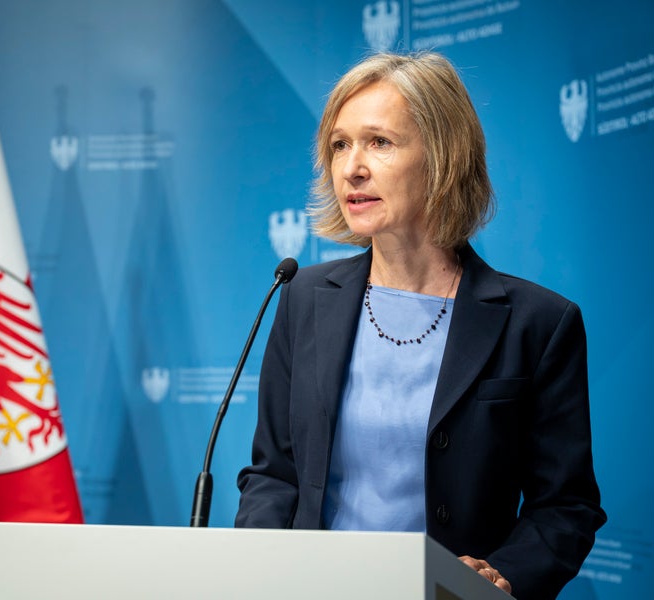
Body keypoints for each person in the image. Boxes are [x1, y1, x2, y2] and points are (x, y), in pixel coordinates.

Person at [235, 51, 606, 600]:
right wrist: (257, 571)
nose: (352, 168)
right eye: (340, 145)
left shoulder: (539, 323)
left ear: (443, 157)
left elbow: (565, 507)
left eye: (379, 142)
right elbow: (274, 474)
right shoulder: (304, 298)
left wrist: (502, 576)